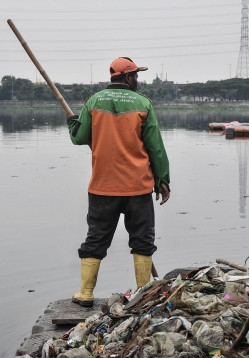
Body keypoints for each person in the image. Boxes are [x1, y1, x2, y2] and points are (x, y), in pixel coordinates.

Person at [66, 57, 170, 307]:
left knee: (96, 238)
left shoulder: (93, 101)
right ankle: (143, 293)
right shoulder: (143, 103)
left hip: (103, 187)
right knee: (143, 240)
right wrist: (162, 179)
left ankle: (85, 294)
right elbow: (155, 147)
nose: (137, 81)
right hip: (138, 187)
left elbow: (79, 138)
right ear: (126, 77)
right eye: (135, 76)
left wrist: (72, 124)